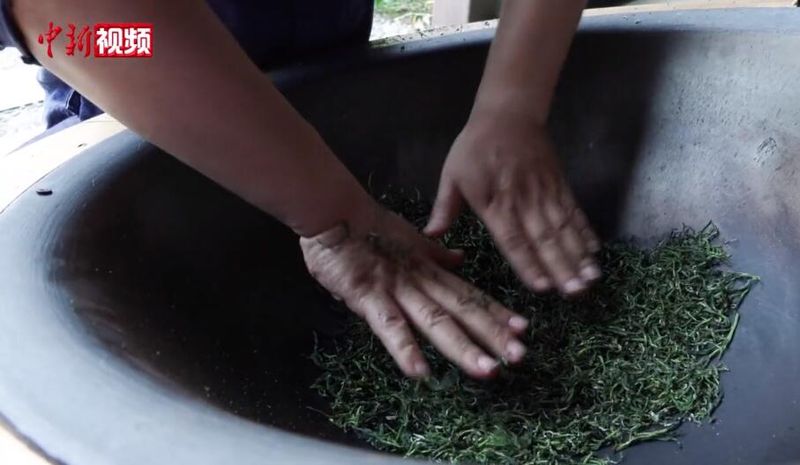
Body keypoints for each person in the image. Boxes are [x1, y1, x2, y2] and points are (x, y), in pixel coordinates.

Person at [0, 0, 601, 379]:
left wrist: (512, 103)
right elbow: (67, 22)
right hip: (140, 103)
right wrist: (334, 217)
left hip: (332, 73)